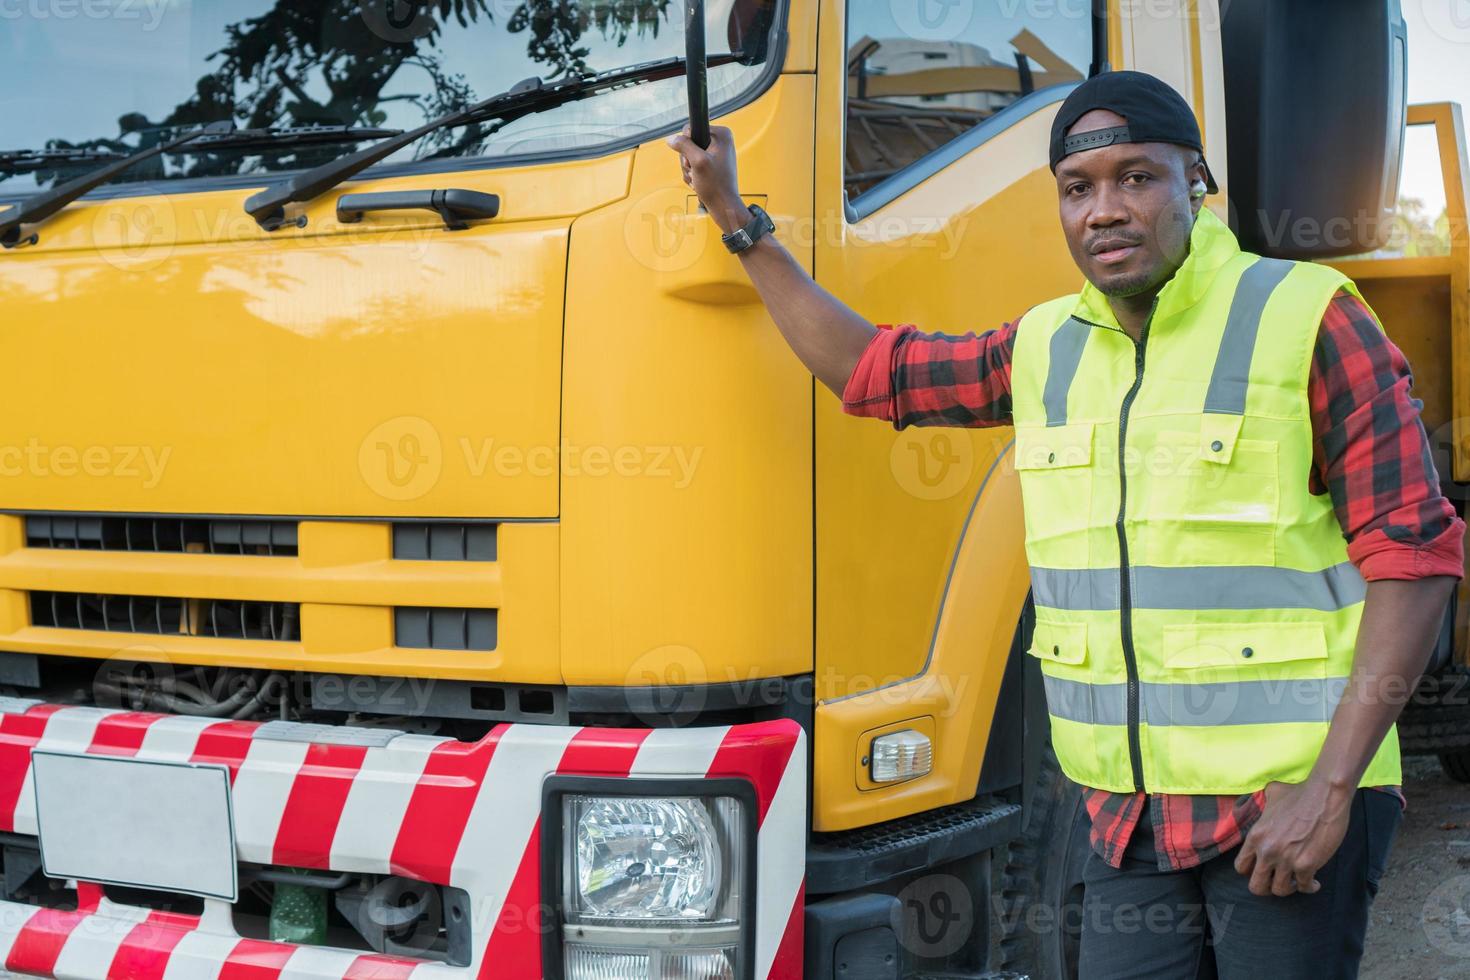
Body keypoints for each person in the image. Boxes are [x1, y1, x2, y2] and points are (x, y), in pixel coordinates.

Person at [668, 70, 1465, 978]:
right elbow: (869, 369)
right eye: (1079, 188)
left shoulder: (1306, 317)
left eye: (1138, 177)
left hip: (1283, 815)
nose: (1106, 211)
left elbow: (1418, 556)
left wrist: (1328, 792)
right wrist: (739, 222)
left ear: (1196, 183)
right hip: (1127, 824)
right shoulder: (1047, 346)